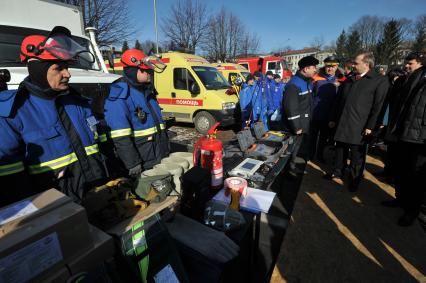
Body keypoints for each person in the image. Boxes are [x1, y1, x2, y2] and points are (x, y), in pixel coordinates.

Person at [0, 26, 108, 205]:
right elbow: (12, 187)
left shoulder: (79, 102)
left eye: (67, 67)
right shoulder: (13, 113)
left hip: (101, 195)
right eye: (59, 68)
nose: (68, 74)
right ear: (38, 70)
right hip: (58, 212)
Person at [325, 52, 389, 191]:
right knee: (340, 149)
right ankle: (337, 171)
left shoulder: (379, 80)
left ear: (367, 64)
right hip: (343, 122)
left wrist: (371, 126)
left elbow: (379, 106)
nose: (353, 65)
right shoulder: (350, 79)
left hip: (360, 125)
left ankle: (354, 179)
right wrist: (333, 118)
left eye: (356, 63)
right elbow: (338, 101)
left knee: (356, 156)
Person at [101, 49, 169, 177]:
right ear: (133, 71)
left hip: (159, 156)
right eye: (146, 70)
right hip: (144, 163)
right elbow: (120, 137)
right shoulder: (120, 97)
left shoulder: (148, 92)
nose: (150, 73)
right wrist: (133, 163)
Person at [382, 51, 426, 226]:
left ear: (421, 63)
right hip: (403, 132)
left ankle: (411, 210)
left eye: (411, 63)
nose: (406, 66)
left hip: (420, 137)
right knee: (401, 169)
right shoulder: (407, 79)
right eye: (406, 63)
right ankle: (399, 199)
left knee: (416, 176)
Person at [282, 55, 319, 175]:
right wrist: (296, 126)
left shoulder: (305, 82)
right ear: (305, 69)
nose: (315, 69)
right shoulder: (294, 84)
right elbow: (291, 108)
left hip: (303, 124)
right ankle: (288, 170)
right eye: (313, 67)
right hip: (295, 127)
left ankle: (291, 167)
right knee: (291, 149)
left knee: (296, 149)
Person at [310, 55, 341, 162]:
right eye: (328, 66)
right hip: (315, 113)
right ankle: (310, 155)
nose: (330, 68)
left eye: (333, 66)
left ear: (337, 66)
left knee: (324, 138)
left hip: (330, 115)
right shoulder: (316, 77)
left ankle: (320, 156)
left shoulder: (341, 79)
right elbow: (311, 96)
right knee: (312, 137)